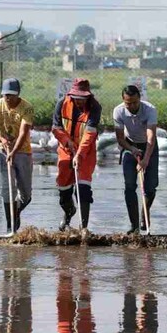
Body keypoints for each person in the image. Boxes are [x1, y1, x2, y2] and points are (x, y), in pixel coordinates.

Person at [51, 78, 102, 232]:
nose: (79, 102)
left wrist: (79, 154)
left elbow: (89, 133)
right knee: (63, 188)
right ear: (71, 95)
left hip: (86, 152)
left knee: (83, 188)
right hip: (66, 150)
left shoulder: (95, 107)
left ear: (88, 96)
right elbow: (56, 127)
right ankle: (69, 213)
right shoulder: (62, 103)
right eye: (76, 98)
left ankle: (84, 227)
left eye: (82, 98)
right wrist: (68, 142)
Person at [0, 78, 34, 232]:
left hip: (22, 150)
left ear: (18, 94)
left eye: (11, 95)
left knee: (26, 194)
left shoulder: (26, 108)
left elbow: (23, 133)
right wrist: (1, 139)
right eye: (5, 95)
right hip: (2, 149)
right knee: (8, 188)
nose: (8, 98)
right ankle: (10, 227)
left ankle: (16, 210)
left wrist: (13, 152)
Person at [113, 85, 159, 234]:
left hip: (148, 146)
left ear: (140, 98)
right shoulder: (118, 111)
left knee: (150, 187)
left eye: (134, 102)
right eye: (128, 103)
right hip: (129, 145)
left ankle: (144, 215)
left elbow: (151, 137)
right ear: (123, 101)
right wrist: (132, 149)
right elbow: (120, 138)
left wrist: (145, 159)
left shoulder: (150, 109)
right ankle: (134, 226)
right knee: (129, 186)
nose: (131, 106)